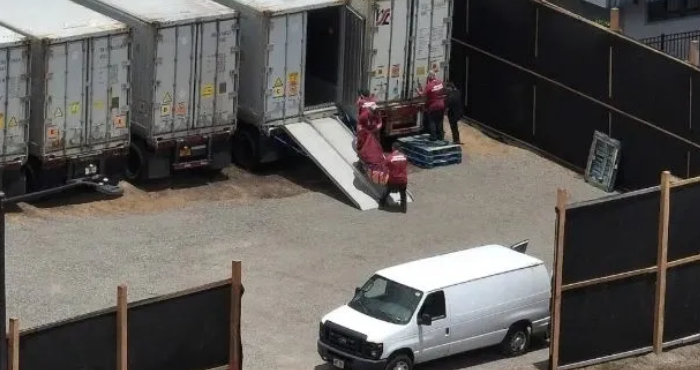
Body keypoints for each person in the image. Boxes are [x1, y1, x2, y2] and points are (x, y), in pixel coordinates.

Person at [416, 71, 446, 141]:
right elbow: (444, 91)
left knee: (432, 121)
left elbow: (422, 95)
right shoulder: (441, 82)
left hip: (433, 106)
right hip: (442, 105)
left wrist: (417, 90)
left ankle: (433, 137)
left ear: (429, 78)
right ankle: (441, 136)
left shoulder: (429, 85)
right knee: (440, 121)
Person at [380, 142, 408, 213]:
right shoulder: (404, 156)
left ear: (393, 148)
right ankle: (404, 209)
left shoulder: (390, 157)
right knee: (403, 194)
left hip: (393, 180)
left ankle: (381, 205)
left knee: (386, 190)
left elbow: (384, 166)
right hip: (403, 180)